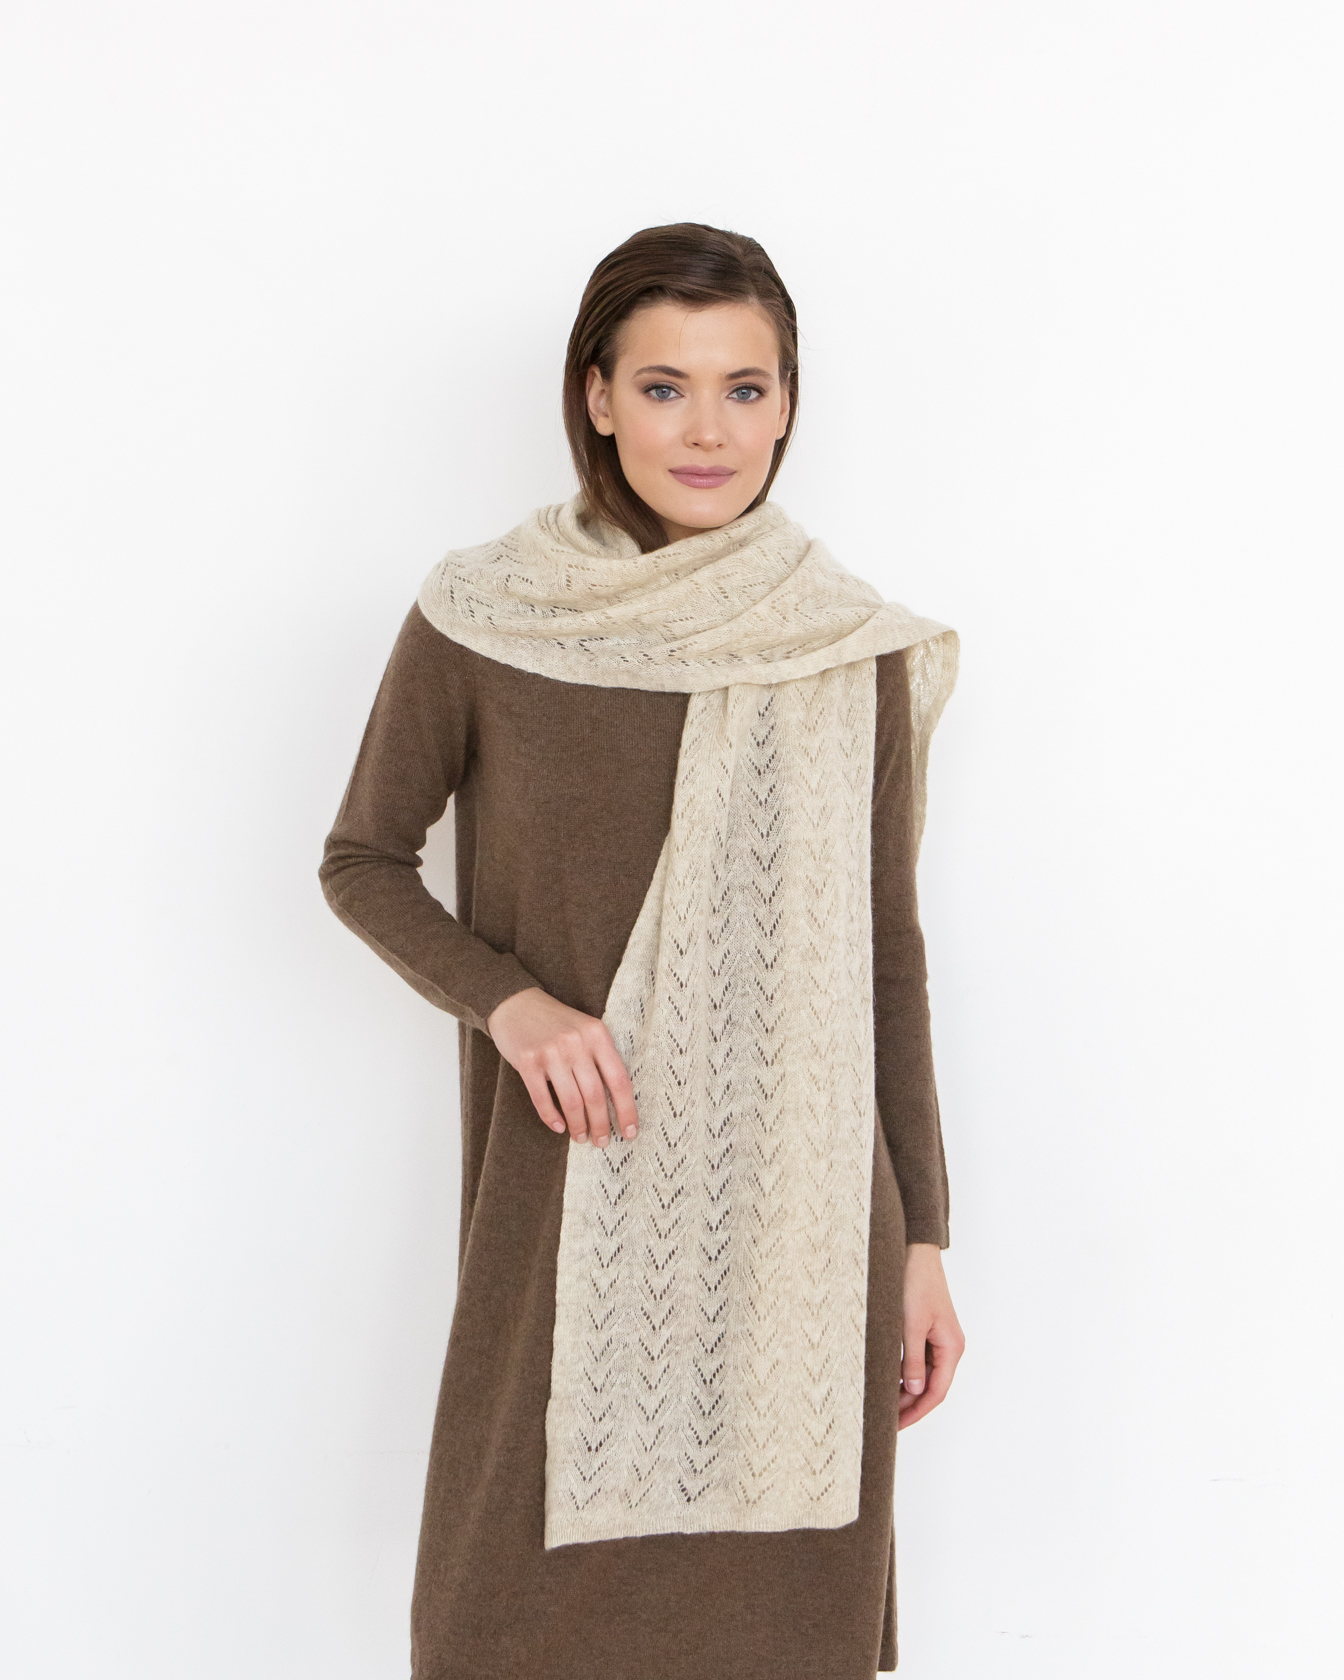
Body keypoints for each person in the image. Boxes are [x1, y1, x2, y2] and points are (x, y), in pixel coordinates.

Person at [319, 221, 965, 1680]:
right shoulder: (488, 618)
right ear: (598, 397)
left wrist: (924, 1240)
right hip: (565, 1196)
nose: (708, 429)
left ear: (788, 405)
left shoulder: (841, 645)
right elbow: (362, 859)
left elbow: (886, 954)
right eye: (665, 386)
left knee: (780, 1633)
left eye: (746, 388)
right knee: (500, 1624)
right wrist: (511, 1005)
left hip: (808, 1239)